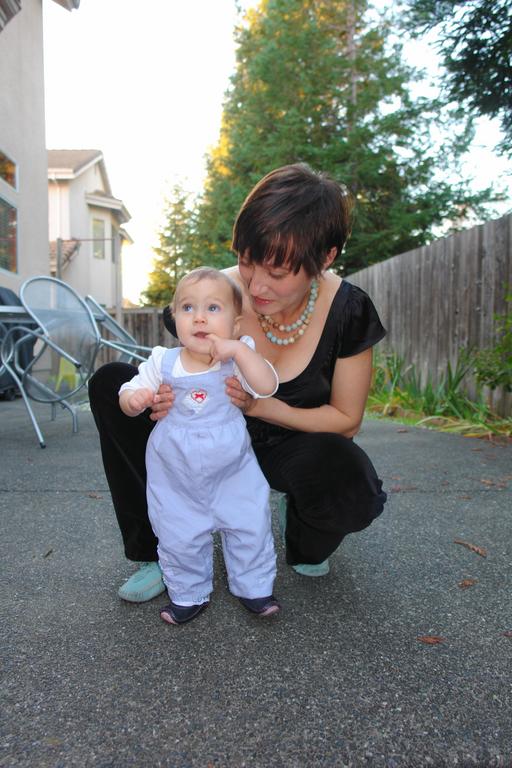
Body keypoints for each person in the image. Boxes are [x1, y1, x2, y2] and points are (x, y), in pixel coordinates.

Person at [89, 162, 387, 605]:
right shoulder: (213, 295)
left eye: (278, 273)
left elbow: (346, 419)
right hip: (207, 435)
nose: (257, 285)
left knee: (350, 480)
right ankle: (157, 549)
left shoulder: (349, 309)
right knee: (112, 382)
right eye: (248, 261)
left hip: (290, 442)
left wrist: (260, 406)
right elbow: (175, 367)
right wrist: (158, 397)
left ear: (325, 258)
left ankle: (301, 529)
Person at [118, 267, 280, 624]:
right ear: (175, 317)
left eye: (213, 308)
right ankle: (187, 594)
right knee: (178, 532)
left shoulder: (238, 358)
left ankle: (255, 587)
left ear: (235, 324)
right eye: (188, 308)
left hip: (232, 470)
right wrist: (133, 400)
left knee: (249, 524)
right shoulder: (163, 361)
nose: (200, 318)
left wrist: (239, 350)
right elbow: (129, 388)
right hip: (175, 471)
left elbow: (266, 386)